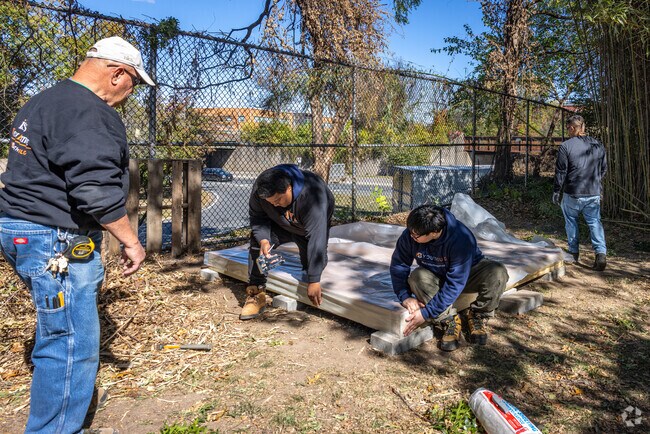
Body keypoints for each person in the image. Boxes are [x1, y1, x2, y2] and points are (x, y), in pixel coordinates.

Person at [0, 36, 154, 434]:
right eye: (133, 82)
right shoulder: (90, 113)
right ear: (117, 73)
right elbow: (94, 190)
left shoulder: (44, 101)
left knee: (58, 330)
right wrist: (131, 240)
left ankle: (61, 412)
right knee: (70, 343)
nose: (130, 92)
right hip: (55, 239)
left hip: (19, 227)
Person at [389, 205, 508, 351]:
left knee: (497, 272)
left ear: (434, 232)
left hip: (468, 274)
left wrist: (426, 314)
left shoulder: (461, 239)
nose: (411, 236)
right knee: (417, 277)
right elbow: (399, 264)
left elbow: (455, 283)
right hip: (436, 275)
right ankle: (448, 319)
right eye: (410, 231)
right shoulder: (412, 234)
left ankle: (478, 315)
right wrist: (404, 296)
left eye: (416, 235)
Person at [243, 164, 335, 320]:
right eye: (271, 202)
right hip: (281, 224)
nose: (275, 204)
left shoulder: (313, 195)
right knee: (257, 243)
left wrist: (314, 280)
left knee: (311, 269)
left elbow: (316, 238)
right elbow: (258, 218)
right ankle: (256, 291)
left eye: (278, 199)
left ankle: (309, 276)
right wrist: (264, 240)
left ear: (289, 188)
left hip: (306, 228)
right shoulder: (261, 190)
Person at [553, 115, 608, 270]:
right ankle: (601, 254)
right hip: (593, 192)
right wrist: (595, 182)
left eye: (568, 128)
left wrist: (557, 191)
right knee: (595, 222)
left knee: (571, 221)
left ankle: (574, 252)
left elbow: (561, 172)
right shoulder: (598, 144)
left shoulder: (566, 146)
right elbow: (603, 169)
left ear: (572, 127)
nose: (568, 131)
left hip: (573, 192)